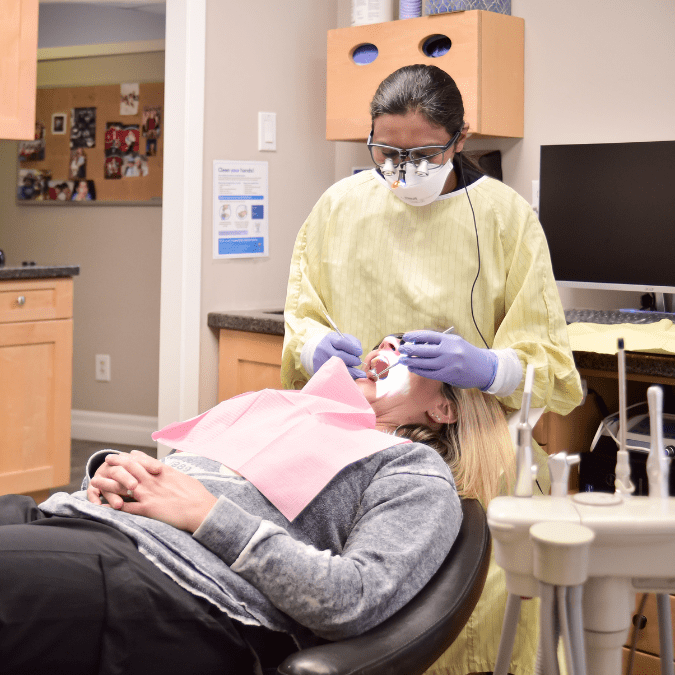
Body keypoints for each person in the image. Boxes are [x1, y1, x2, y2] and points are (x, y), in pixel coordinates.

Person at [281, 64, 583, 675]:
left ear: (460, 141)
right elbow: (301, 321)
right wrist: (314, 349)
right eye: (386, 151)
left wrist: (488, 368)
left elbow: (549, 368)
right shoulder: (338, 207)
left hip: (475, 455)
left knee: (492, 597)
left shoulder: (506, 218)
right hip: (352, 443)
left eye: (423, 154)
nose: (401, 168)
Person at [0, 335, 516, 675]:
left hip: (164, 581)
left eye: (409, 353)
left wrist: (207, 515)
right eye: (386, 340)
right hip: (72, 517)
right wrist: (114, 474)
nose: (384, 351)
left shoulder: (413, 471)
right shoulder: (294, 416)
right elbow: (189, 480)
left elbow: (354, 599)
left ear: (445, 406)